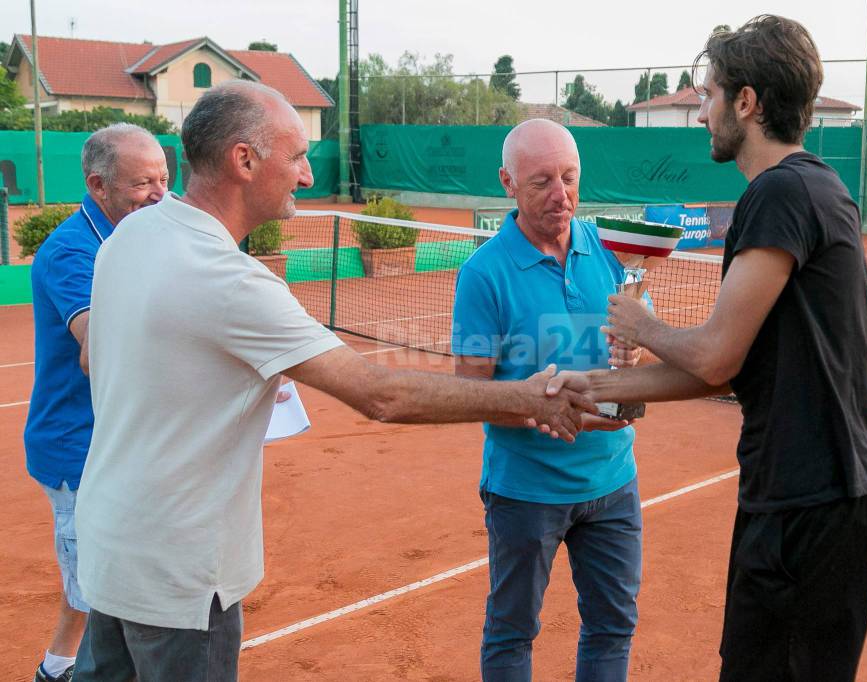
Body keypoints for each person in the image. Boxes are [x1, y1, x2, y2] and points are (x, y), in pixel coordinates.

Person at [70, 81, 593, 682]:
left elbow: (105, 358)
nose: (305, 176)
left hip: (110, 545)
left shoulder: (128, 234)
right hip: (181, 576)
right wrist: (528, 396)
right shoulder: (231, 280)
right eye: (295, 157)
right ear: (244, 160)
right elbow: (381, 393)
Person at [546, 16, 867, 682]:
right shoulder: (816, 187)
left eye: (708, 95)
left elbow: (714, 357)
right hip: (820, 500)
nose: (702, 112)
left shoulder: (778, 194)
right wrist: (595, 387)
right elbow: (725, 371)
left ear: (748, 103)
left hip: (805, 507)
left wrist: (640, 325)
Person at [451, 118, 645, 681]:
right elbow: (470, 392)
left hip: (613, 484)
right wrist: (537, 406)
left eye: (569, 177)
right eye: (542, 182)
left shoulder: (613, 252)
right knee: (512, 633)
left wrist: (632, 360)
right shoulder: (482, 275)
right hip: (525, 493)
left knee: (612, 626)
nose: (561, 195)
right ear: (507, 182)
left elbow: (644, 350)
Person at [23, 123, 168, 682]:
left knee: (100, 578)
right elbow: (99, 345)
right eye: (142, 184)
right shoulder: (71, 252)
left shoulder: (139, 230)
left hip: (121, 436)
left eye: (163, 178)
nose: (159, 193)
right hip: (77, 447)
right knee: (100, 584)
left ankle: (61, 666)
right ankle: (63, 670)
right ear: (98, 184)